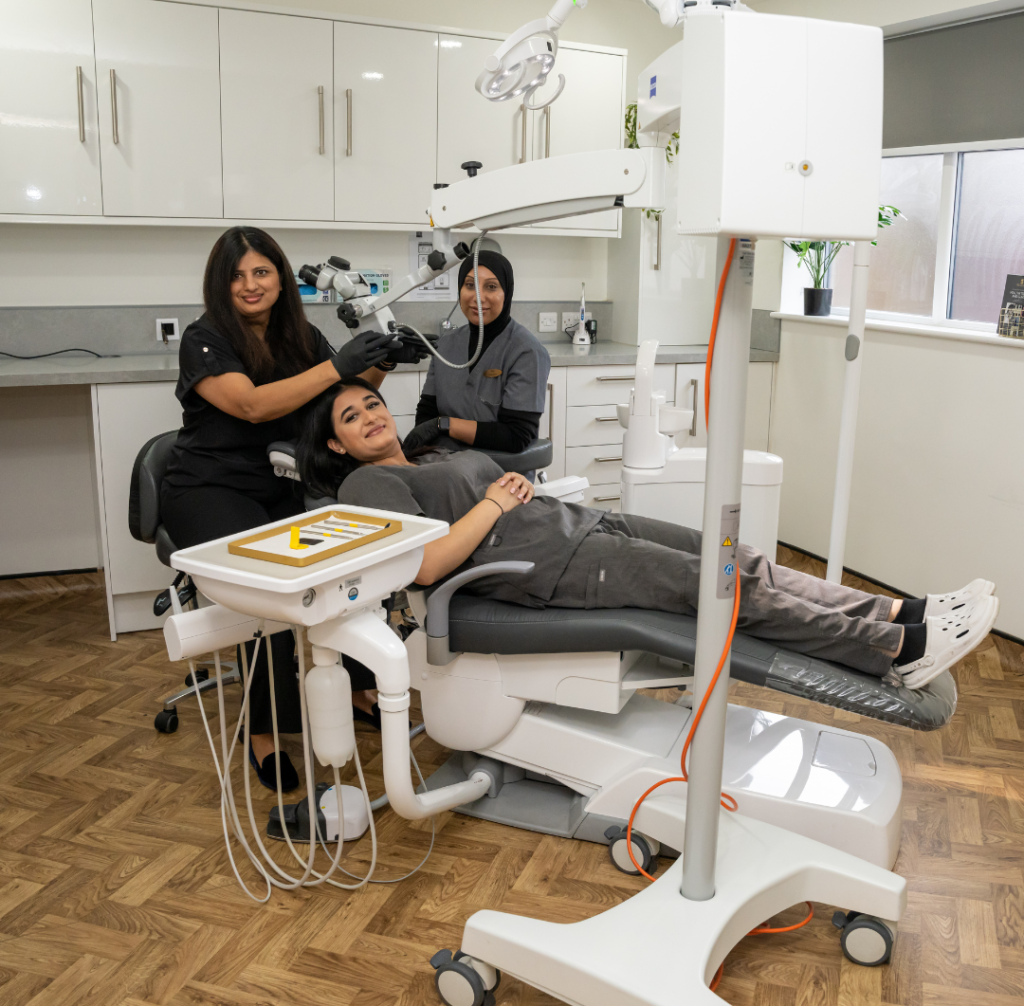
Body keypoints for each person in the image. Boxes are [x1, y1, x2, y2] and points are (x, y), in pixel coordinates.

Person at [299, 377, 999, 691]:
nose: (369, 417)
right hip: (545, 566)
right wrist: (492, 504)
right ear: (335, 447)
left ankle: (903, 612)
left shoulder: (423, 454)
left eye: (371, 405)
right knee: (718, 587)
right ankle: (892, 651)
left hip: (581, 526)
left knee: (738, 558)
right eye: (351, 420)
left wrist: (509, 495)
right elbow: (424, 567)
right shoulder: (365, 486)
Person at [160, 226, 428, 791]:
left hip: (281, 481)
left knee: (350, 572)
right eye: (237, 275)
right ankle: (265, 732)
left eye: (261, 271)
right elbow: (254, 406)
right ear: (220, 284)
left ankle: (357, 686)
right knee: (271, 596)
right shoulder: (204, 339)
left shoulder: (299, 334)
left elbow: (339, 396)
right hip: (208, 486)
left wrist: (383, 362)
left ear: (280, 276)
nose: (250, 285)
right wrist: (341, 365)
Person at [403, 250, 551, 456]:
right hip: (445, 465)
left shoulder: (526, 351)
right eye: (470, 285)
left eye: (491, 287)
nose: (478, 297)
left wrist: (446, 425)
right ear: (459, 290)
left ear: (506, 293)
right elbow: (427, 415)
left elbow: (517, 436)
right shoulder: (446, 345)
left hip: (500, 472)